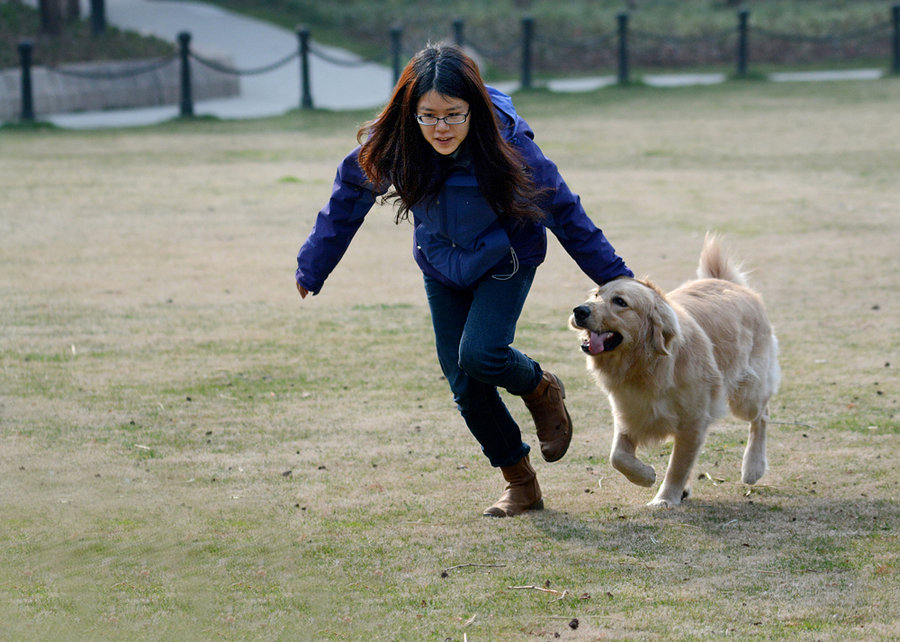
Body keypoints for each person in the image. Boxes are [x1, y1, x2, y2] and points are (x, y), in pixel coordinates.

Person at [295, 43, 632, 518]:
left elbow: (565, 212)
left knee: (481, 355)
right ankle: (520, 482)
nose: (441, 128)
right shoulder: (395, 143)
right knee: (464, 383)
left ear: (473, 107)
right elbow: (348, 195)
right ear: (410, 112)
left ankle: (540, 388)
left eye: (453, 115)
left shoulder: (512, 146)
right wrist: (314, 264)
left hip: (506, 258)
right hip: (440, 262)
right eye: (428, 116)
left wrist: (619, 283)